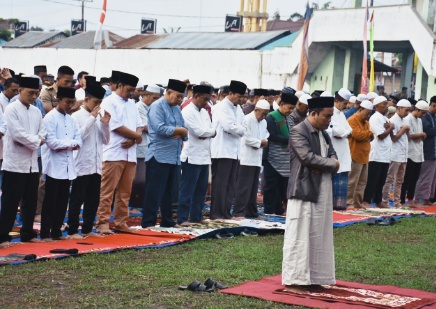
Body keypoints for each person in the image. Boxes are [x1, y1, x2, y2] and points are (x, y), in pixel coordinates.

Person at [282, 96, 339, 291]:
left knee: (319, 235)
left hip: (322, 189)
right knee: (299, 235)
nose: (329, 120)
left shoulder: (324, 134)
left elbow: (332, 155)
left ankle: (316, 277)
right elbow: (307, 157)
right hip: (303, 189)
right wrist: (331, 164)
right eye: (327, 116)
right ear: (313, 114)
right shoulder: (299, 131)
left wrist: (328, 163)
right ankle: (295, 281)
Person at [0, 77, 46, 248]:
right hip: (15, 163)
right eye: (30, 93)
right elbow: (16, 134)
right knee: (10, 202)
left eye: (36, 93)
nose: (34, 96)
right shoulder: (11, 109)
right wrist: (36, 141)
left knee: (30, 201)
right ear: (20, 91)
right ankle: (3, 236)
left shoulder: (36, 111)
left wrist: (34, 140)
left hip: (32, 163)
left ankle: (27, 233)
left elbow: (43, 132)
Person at [96, 72, 142, 234]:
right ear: (119, 85)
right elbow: (115, 126)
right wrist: (136, 137)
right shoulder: (108, 102)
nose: (131, 93)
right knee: (107, 191)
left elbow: (139, 125)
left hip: (130, 154)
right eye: (129, 90)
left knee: (125, 192)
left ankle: (121, 222)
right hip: (114, 152)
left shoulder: (132, 104)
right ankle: (102, 223)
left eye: (133, 90)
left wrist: (135, 137)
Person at [141, 79, 187, 228]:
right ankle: (148, 222)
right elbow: (161, 129)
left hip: (174, 157)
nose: (180, 100)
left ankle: (167, 222)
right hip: (158, 156)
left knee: (169, 193)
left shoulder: (177, 109)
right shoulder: (157, 107)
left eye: (182, 97)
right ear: (168, 92)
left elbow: (185, 131)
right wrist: (178, 130)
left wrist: (180, 132)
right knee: (154, 192)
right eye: (178, 96)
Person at [67, 82, 111, 239]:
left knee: (93, 200)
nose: (98, 106)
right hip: (81, 164)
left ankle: (87, 229)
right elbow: (79, 138)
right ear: (86, 99)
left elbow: (106, 140)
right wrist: (92, 118)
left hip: (96, 164)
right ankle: (72, 231)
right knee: (77, 199)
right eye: (95, 102)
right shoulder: (76, 116)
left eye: (100, 103)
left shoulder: (99, 116)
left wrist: (105, 124)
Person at [40, 87, 82, 240]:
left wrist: (68, 143)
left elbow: (80, 141)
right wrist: (71, 143)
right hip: (53, 166)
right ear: (58, 100)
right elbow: (52, 143)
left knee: (63, 201)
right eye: (67, 102)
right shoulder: (49, 118)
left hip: (67, 166)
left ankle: (56, 232)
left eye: (72, 102)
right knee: (50, 201)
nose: (70, 105)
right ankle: (45, 233)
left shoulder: (71, 120)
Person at [177, 84, 216, 226]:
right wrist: (210, 133)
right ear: (196, 96)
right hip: (191, 156)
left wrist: (209, 132)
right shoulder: (187, 111)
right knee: (187, 189)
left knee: (201, 190)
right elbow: (199, 132)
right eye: (204, 99)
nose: (206, 103)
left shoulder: (205, 112)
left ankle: (196, 216)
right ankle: (182, 218)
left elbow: (210, 129)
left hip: (204, 156)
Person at [209, 80, 247, 220]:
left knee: (231, 185)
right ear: (230, 93)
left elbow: (243, 125)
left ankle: (226, 212)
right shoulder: (221, 107)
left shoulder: (238, 108)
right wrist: (240, 129)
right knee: (220, 184)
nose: (241, 99)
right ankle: (217, 213)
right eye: (239, 96)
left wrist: (239, 129)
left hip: (235, 152)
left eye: (243, 97)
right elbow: (229, 127)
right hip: (222, 150)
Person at [232, 99, 270, 219]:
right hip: (246, 158)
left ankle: (251, 212)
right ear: (256, 110)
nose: (264, 116)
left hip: (257, 158)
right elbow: (245, 138)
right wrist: (260, 142)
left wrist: (264, 141)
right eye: (263, 113)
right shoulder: (246, 119)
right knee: (243, 187)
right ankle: (239, 212)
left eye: (266, 114)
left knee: (253, 188)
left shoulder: (263, 122)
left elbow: (266, 135)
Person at [263, 92, 298, 215]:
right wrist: (288, 140)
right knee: (271, 186)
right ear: (282, 104)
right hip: (273, 156)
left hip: (285, 158)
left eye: (293, 109)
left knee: (282, 186)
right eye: (289, 108)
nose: (290, 111)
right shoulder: (271, 117)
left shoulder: (289, 118)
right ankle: (269, 210)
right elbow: (271, 135)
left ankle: (279, 209)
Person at [130, 84, 161, 211]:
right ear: (146, 95)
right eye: (154, 98)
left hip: (151, 148)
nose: (156, 101)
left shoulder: (153, 108)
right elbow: (146, 127)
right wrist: (161, 129)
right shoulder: (138, 107)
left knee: (148, 179)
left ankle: (143, 205)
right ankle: (134, 206)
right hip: (141, 147)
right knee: (139, 179)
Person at [363, 96, 395, 208]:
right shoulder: (375, 118)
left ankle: (378, 200)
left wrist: (390, 127)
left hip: (385, 154)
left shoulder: (385, 118)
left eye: (387, 104)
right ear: (376, 106)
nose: (387, 106)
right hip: (376, 154)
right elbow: (381, 135)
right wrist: (390, 128)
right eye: (384, 104)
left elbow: (390, 134)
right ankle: (366, 200)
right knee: (372, 179)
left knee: (381, 180)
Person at [380, 99, 411, 208]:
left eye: (409, 111)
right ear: (399, 108)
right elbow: (394, 138)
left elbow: (407, 137)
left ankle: (397, 202)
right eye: (406, 110)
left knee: (400, 180)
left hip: (403, 154)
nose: (407, 113)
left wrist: (406, 130)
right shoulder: (392, 120)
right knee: (390, 179)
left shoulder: (405, 120)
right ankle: (385, 201)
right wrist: (404, 130)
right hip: (394, 154)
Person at [326, 88, 352, 210]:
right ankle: (331, 204)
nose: (346, 106)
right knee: (334, 176)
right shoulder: (330, 112)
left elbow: (349, 130)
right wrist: (344, 133)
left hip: (343, 149)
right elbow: (334, 131)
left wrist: (344, 133)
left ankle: (339, 204)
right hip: (334, 148)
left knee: (342, 175)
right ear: (337, 100)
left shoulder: (341, 114)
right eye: (345, 103)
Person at [347, 100, 374, 209]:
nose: (368, 115)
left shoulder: (366, 122)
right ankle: (349, 202)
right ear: (360, 109)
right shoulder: (352, 120)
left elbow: (371, 136)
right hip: (355, 154)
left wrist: (368, 134)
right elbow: (358, 135)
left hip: (365, 155)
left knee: (362, 182)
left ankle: (358, 203)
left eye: (370, 113)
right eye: (367, 113)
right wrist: (369, 134)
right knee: (352, 181)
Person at [400, 100, 428, 206]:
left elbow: (418, 136)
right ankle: (402, 200)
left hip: (418, 152)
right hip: (410, 153)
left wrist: (420, 135)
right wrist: (421, 134)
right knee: (407, 178)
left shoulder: (419, 120)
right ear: (417, 109)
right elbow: (409, 136)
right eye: (423, 112)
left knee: (415, 178)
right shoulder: (408, 119)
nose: (423, 115)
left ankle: (411, 199)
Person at [414, 97, 436, 207]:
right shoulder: (425, 117)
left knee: (432, 178)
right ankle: (418, 198)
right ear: (433, 105)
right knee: (425, 177)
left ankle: (427, 198)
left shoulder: (433, 117)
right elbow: (427, 131)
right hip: (427, 151)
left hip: (434, 152)